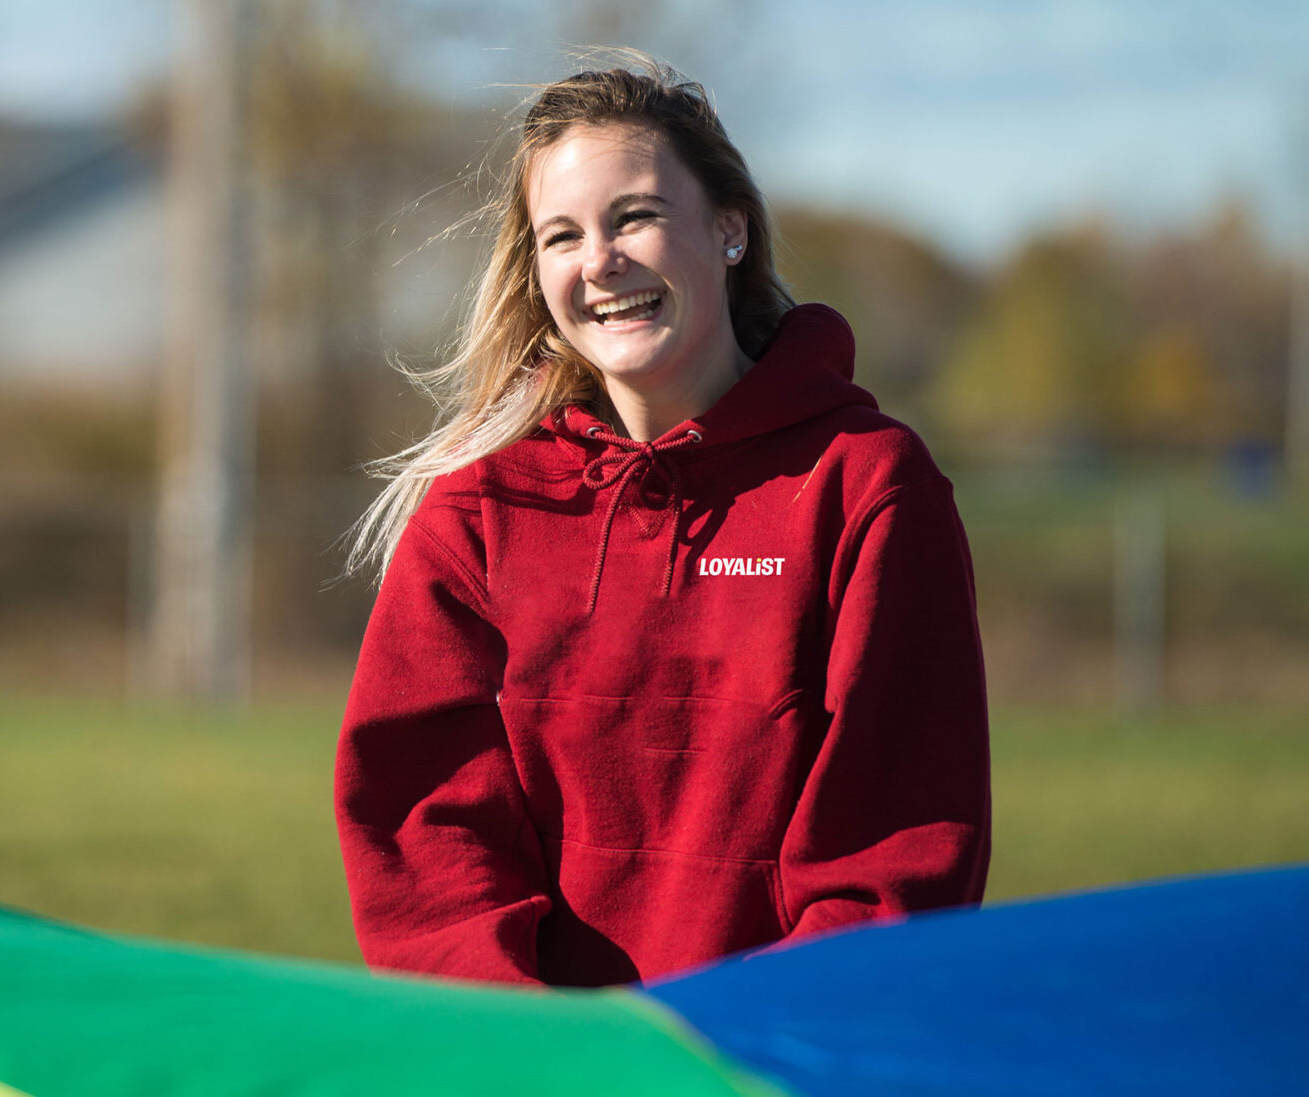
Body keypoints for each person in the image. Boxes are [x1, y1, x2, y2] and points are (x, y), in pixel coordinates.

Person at [335, 53, 989, 988]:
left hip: (765, 1063)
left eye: (635, 216)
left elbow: (895, 844)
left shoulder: (867, 487)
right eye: (562, 235)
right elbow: (423, 826)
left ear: (730, 228)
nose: (599, 260)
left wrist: (743, 1052)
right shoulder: (477, 514)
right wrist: (531, 1047)